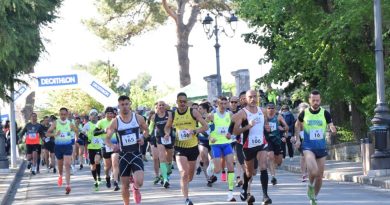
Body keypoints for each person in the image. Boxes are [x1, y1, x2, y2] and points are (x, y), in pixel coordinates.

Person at [164, 92, 208, 205]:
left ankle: (184, 185)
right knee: (184, 173)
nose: (182, 103)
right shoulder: (173, 114)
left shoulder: (193, 112)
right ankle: (186, 199)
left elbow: (205, 126)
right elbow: (167, 127)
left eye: (184, 101)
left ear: (187, 101)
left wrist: (195, 131)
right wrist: (167, 133)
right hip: (180, 147)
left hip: (193, 147)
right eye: (180, 101)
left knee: (190, 176)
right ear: (177, 102)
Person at [294, 90, 337, 205]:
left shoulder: (325, 113)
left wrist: (333, 130)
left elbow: (331, 125)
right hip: (308, 146)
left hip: (321, 147)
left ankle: (314, 197)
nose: (316, 102)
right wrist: (297, 139)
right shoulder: (304, 113)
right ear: (310, 100)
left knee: (320, 176)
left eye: (317, 100)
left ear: (320, 100)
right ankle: (309, 184)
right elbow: (297, 124)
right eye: (313, 100)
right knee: (313, 171)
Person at [106, 95, 149, 205]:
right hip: (123, 156)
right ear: (119, 106)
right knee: (124, 186)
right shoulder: (115, 121)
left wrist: (143, 138)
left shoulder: (138, 118)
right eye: (122, 105)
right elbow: (107, 139)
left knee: (140, 182)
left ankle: (135, 187)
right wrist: (112, 146)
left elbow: (146, 131)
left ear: (130, 104)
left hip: (136, 154)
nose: (125, 107)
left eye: (126, 104)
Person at [233, 90, 272, 205]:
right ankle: (244, 188)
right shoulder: (242, 113)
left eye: (255, 97)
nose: (253, 99)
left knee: (263, 166)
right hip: (248, 146)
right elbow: (236, 131)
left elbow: (265, 126)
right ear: (245, 98)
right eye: (250, 97)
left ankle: (265, 196)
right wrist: (248, 126)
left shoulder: (262, 111)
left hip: (261, 144)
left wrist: (267, 128)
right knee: (249, 173)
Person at [208, 96, 236, 202]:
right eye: (221, 103)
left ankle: (230, 191)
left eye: (225, 103)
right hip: (215, 144)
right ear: (217, 104)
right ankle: (212, 164)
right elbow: (205, 127)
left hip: (226, 143)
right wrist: (210, 137)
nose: (223, 106)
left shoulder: (230, 114)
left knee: (230, 165)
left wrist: (231, 134)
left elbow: (233, 126)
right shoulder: (212, 115)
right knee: (218, 170)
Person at [46, 107, 78, 194]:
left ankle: (68, 185)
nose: (63, 116)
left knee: (67, 165)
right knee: (60, 165)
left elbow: (76, 131)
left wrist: (76, 139)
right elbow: (47, 133)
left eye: (65, 114)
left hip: (67, 146)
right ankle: (60, 175)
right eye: (61, 114)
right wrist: (54, 134)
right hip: (58, 147)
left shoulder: (70, 123)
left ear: (67, 115)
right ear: (59, 114)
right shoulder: (55, 123)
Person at [149, 101, 175, 188]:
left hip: (169, 137)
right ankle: (165, 179)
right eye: (159, 105)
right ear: (157, 107)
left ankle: (168, 171)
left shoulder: (170, 114)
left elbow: (170, 125)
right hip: (160, 138)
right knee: (162, 158)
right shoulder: (154, 116)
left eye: (163, 105)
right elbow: (151, 128)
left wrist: (168, 133)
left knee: (169, 158)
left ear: (165, 106)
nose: (161, 106)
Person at [95, 107, 120, 191]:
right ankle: (107, 177)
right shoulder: (101, 122)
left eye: (111, 113)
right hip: (105, 145)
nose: (109, 115)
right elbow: (95, 133)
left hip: (115, 145)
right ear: (105, 114)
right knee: (107, 166)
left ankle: (116, 181)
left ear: (113, 114)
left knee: (115, 163)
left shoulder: (116, 121)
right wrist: (103, 131)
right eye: (108, 113)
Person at [265, 103, 288, 185]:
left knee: (278, 161)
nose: (270, 110)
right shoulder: (264, 118)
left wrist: (283, 129)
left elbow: (287, 127)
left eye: (272, 108)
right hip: (268, 140)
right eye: (269, 108)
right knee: (270, 156)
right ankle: (273, 176)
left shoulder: (278, 117)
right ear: (266, 109)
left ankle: (272, 168)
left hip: (277, 140)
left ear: (275, 109)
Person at [83, 109, 103, 191]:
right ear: (90, 116)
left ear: (97, 116)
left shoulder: (100, 123)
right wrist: (86, 139)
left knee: (97, 161)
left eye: (95, 115)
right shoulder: (87, 125)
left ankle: (98, 176)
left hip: (99, 146)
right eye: (92, 115)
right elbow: (82, 133)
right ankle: (95, 180)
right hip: (91, 147)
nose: (93, 116)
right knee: (93, 166)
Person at [196, 103, 212, 184]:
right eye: (198, 108)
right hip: (202, 140)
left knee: (213, 159)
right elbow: (200, 129)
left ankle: (211, 174)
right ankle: (208, 178)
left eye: (200, 108)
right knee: (204, 158)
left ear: (205, 109)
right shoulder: (198, 118)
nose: (198, 110)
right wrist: (207, 136)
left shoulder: (211, 116)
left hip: (213, 141)